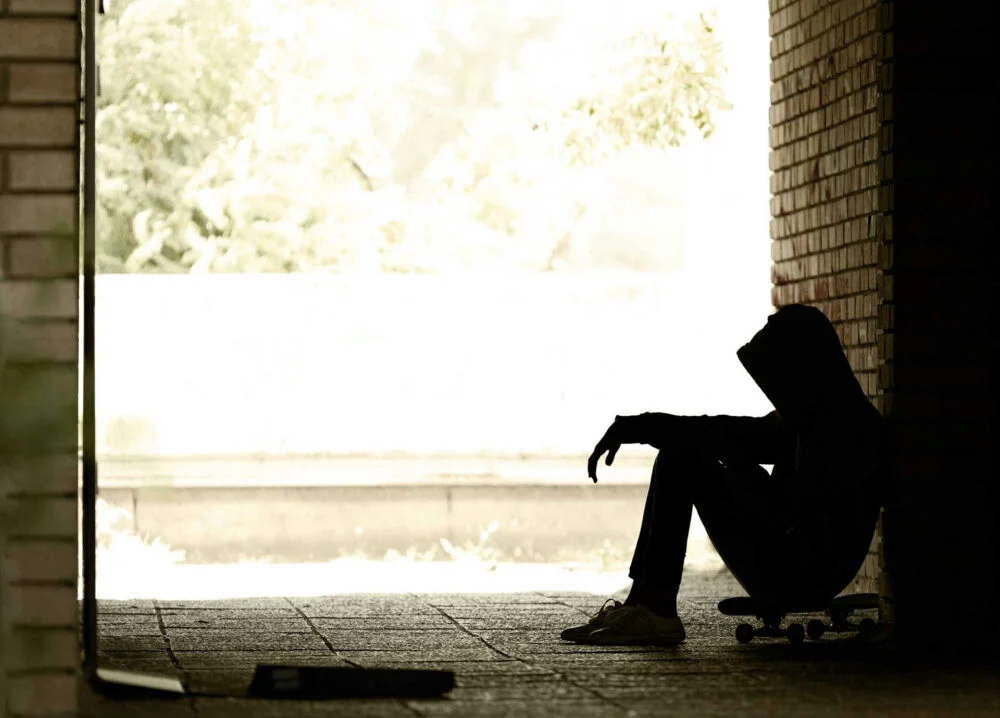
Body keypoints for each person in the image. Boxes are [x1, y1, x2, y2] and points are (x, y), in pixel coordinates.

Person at [561, 303, 886, 646]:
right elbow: (718, 431)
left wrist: (738, 467)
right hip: (786, 559)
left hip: (806, 574)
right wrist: (639, 426)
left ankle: (655, 610)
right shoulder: (806, 420)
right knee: (679, 452)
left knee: (684, 459)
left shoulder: (849, 432)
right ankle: (643, 602)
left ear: (805, 369)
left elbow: (782, 513)